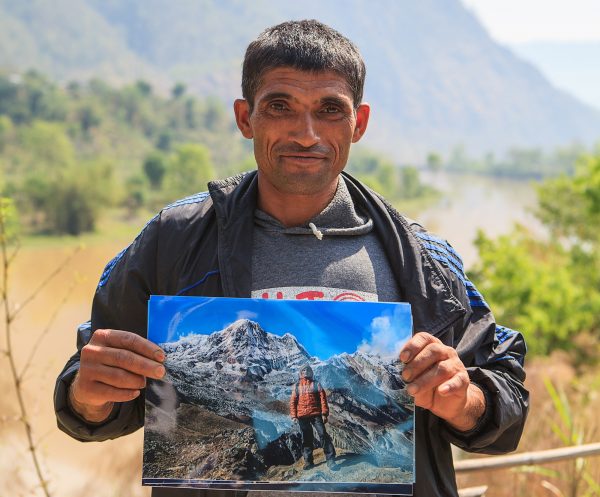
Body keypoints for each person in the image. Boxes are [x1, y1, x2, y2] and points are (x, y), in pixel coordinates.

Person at [54, 19, 529, 497]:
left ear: (358, 123)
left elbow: (506, 402)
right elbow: (92, 399)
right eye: (280, 107)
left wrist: (464, 399)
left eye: (329, 110)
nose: (306, 134)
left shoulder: (423, 258)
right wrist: (89, 396)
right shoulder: (172, 241)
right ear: (246, 117)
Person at [289, 364, 336, 470]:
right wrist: (294, 416)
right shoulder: (297, 386)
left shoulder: (316, 384)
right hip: (302, 416)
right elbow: (293, 401)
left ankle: (330, 459)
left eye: (308, 370)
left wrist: (324, 413)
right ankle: (308, 462)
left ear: (311, 372)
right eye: (304, 370)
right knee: (306, 438)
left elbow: (323, 399)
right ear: (301, 373)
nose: (306, 371)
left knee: (323, 434)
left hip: (316, 414)